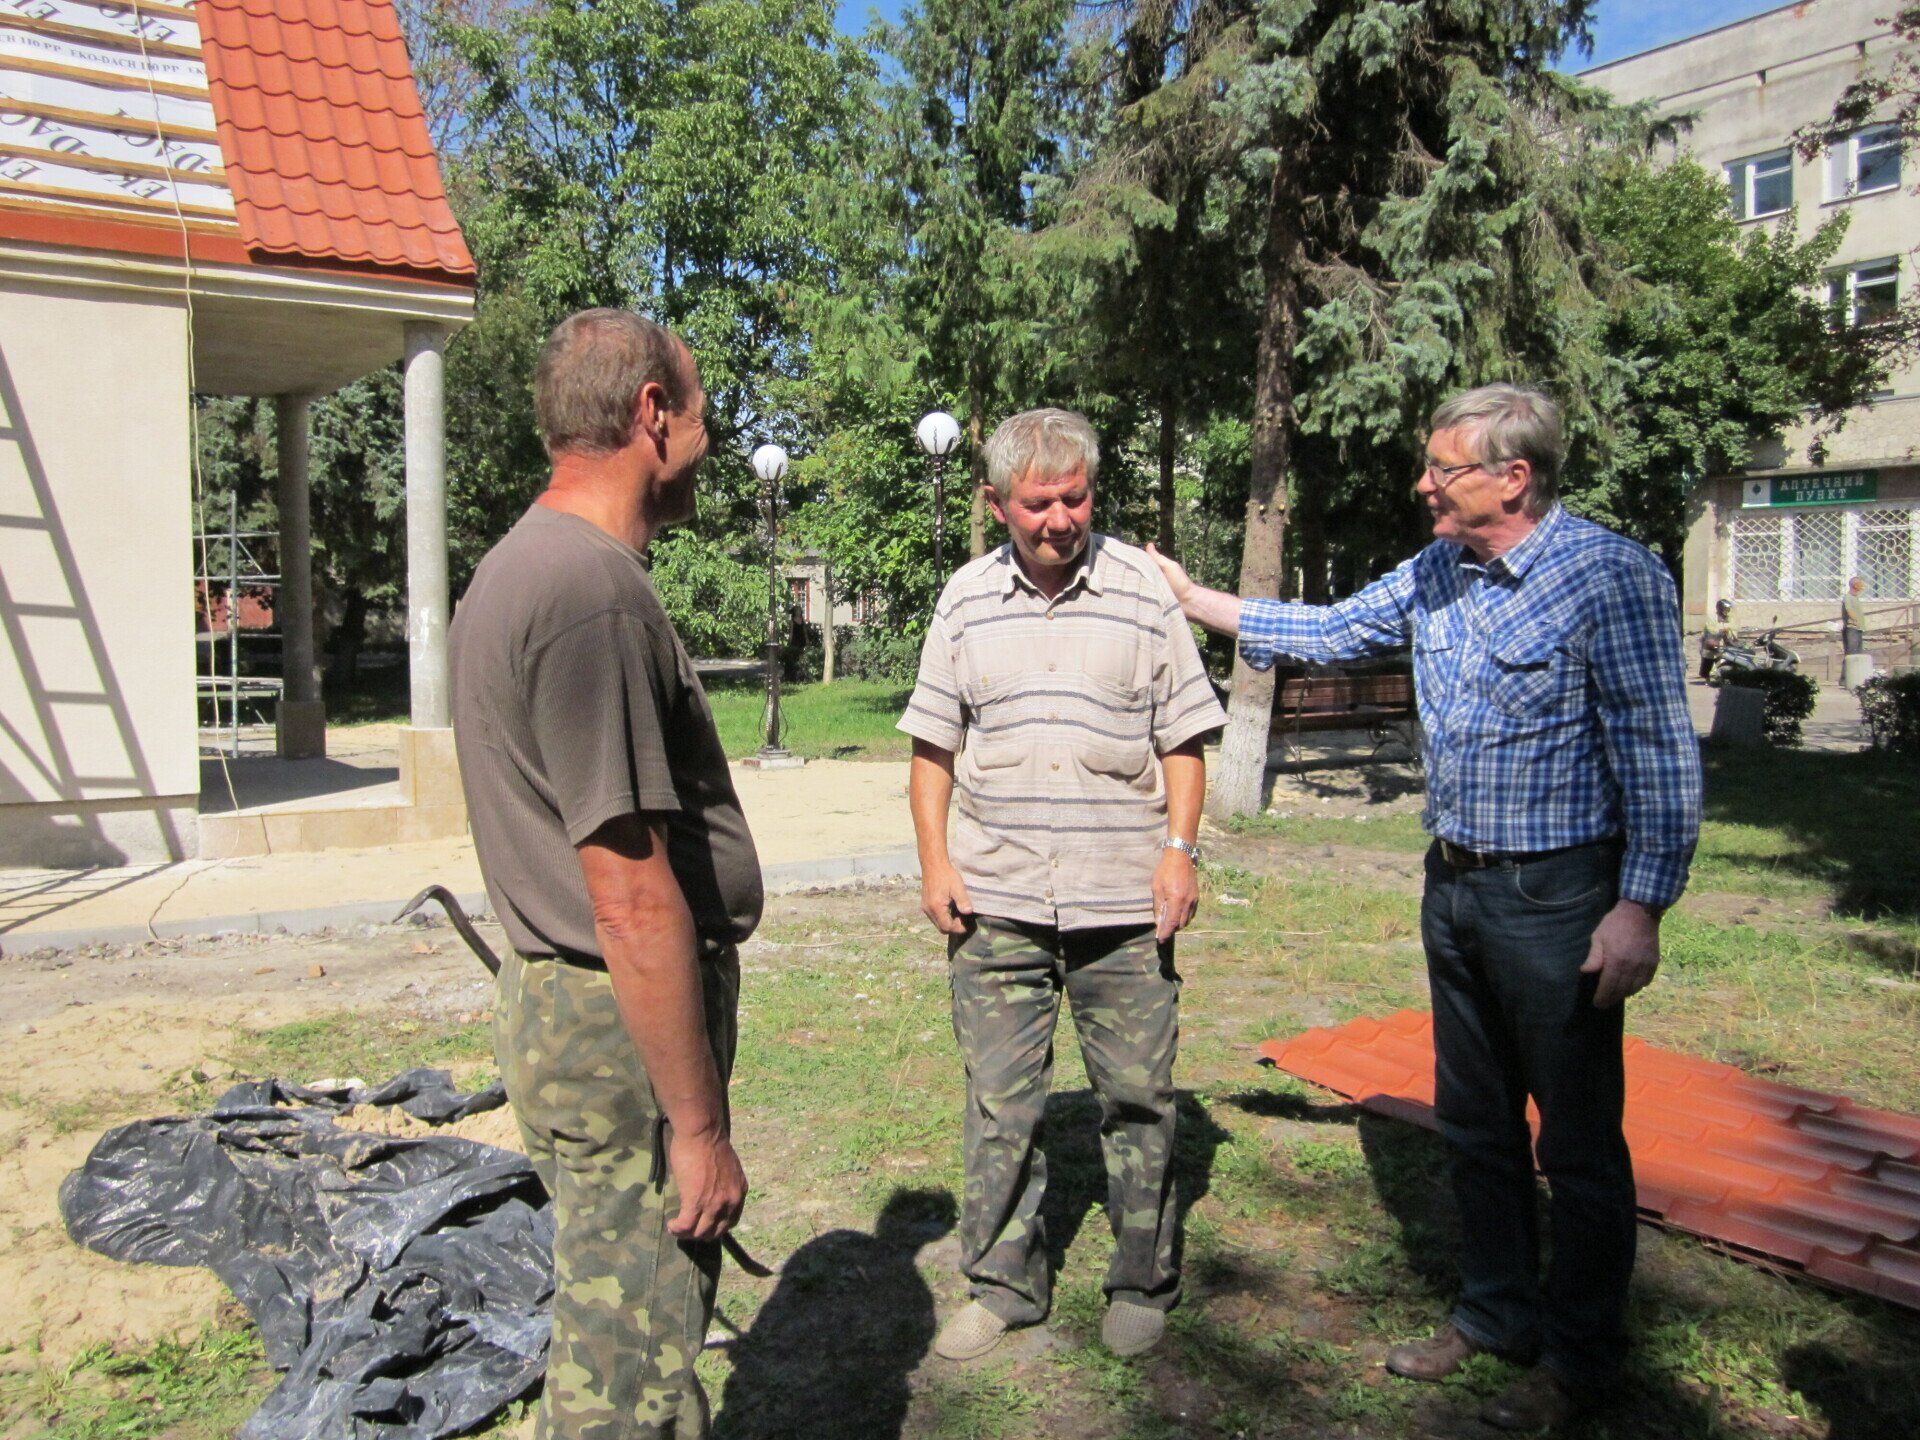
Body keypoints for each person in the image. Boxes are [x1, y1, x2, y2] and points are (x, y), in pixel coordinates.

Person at [1149, 384, 1701, 1431]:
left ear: (1513, 477)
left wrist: (1641, 907)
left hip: (1561, 897)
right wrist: (1192, 596)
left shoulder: (1610, 576)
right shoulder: (1440, 571)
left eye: (1442, 468)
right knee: (1477, 1123)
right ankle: (1495, 1315)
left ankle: (1583, 1358)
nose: (1423, 485)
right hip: (1454, 888)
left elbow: (1660, 755)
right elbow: (1330, 627)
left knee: (1577, 1144)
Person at [450, 309, 761, 1439]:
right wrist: (695, 1125)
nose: (710, 440)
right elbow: (630, 896)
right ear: (651, 415)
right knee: (631, 1358)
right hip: (610, 1023)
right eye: (703, 412)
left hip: (576, 1010)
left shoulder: (521, 566)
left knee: (608, 1322)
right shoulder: (589, 594)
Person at [898, 407, 1227, 1363]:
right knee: (1002, 1104)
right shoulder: (963, 601)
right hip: (996, 899)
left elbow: (1184, 736)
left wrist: (1180, 849)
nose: (1059, 519)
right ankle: (1003, 1284)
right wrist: (934, 862)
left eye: (1075, 498)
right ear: (995, 503)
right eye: (1037, 503)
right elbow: (932, 747)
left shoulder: (1141, 593)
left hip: (1123, 901)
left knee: (1137, 1098)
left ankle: (1142, 1277)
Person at [1699, 599, 1734, 683]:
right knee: (1707, 662)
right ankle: (1707, 679)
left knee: (1721, 660)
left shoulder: (1727, 619)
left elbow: (1730, 630)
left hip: (1720, 644)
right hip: (1709, 643)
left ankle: (1720, 678)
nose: (1727, 611)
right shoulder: (1712, 618)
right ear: (1720, 608)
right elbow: (1711, 631)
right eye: (1725, 609)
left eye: (1728, 609)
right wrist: (1721, 631)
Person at [1843, 576, 1867, 656]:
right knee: (1852, 653)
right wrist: (1855, 621)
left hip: (1858, 629)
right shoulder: (1848, 597)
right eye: (1860, 585)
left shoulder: (1856, 598)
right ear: (1855, 585)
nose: (1862, 587)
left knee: (1859, 653)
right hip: (1852, 629)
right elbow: (1849, 609)